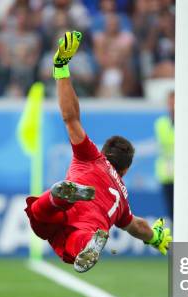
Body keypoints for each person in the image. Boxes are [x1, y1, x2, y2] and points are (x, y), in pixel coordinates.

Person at [24, 31, 172, 273]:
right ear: (125, 170)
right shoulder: (122, 199)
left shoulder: (91, 157)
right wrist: (154, 239)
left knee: (39, 214)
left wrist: (61, 69)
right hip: (87, 224)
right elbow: (138, 227)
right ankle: (88, 243)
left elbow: (70, 118)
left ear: (104, 152)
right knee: (77, 244)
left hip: (61, 211)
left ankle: (58, 196)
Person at [154, 90, 174, 220]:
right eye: (170, 102)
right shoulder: (161, 123)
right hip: (167, 174)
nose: (173, 105)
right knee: (171, 213)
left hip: (187, 174)